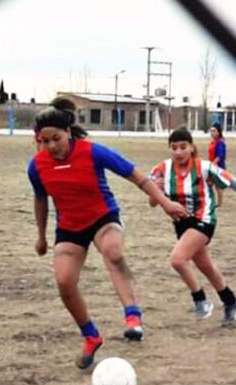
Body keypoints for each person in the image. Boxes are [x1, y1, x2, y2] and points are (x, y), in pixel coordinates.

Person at [28, 97, 188, 370]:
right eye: (45, 142)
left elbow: (137, 177)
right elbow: (41, 200)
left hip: (103, 217)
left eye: (56, 138)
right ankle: (90, 336)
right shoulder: (37, 166)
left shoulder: (93, 152)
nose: (52, 146)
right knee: (64, 283)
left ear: (68, 132)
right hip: (69, 227)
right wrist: (41, 235)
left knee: (113, 253)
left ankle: (133, 316)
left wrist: (165, 203)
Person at [149, 128, 236, 324]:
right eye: (174, 148)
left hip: (203, 220)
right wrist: (157, 191)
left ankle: (200, 301)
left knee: (178, 260)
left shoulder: (203, 167)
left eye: (183, 147)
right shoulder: (161, 169)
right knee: (205, 266)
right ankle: (231, 301)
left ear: (191, 147)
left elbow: (232, 182)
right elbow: (152, 202)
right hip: (181, 224)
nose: (178, 152)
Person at [207, 122, 227, 207]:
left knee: (218, 186)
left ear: (219, 132)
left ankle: (219, 203)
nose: (212, 133)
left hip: (218, 167)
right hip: (212, 165)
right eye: (211, 131)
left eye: (214, 131)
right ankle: (210, 201)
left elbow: (220, 156)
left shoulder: (220, 143)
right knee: (209, 184)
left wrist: (213, 164)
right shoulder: (213, 142)